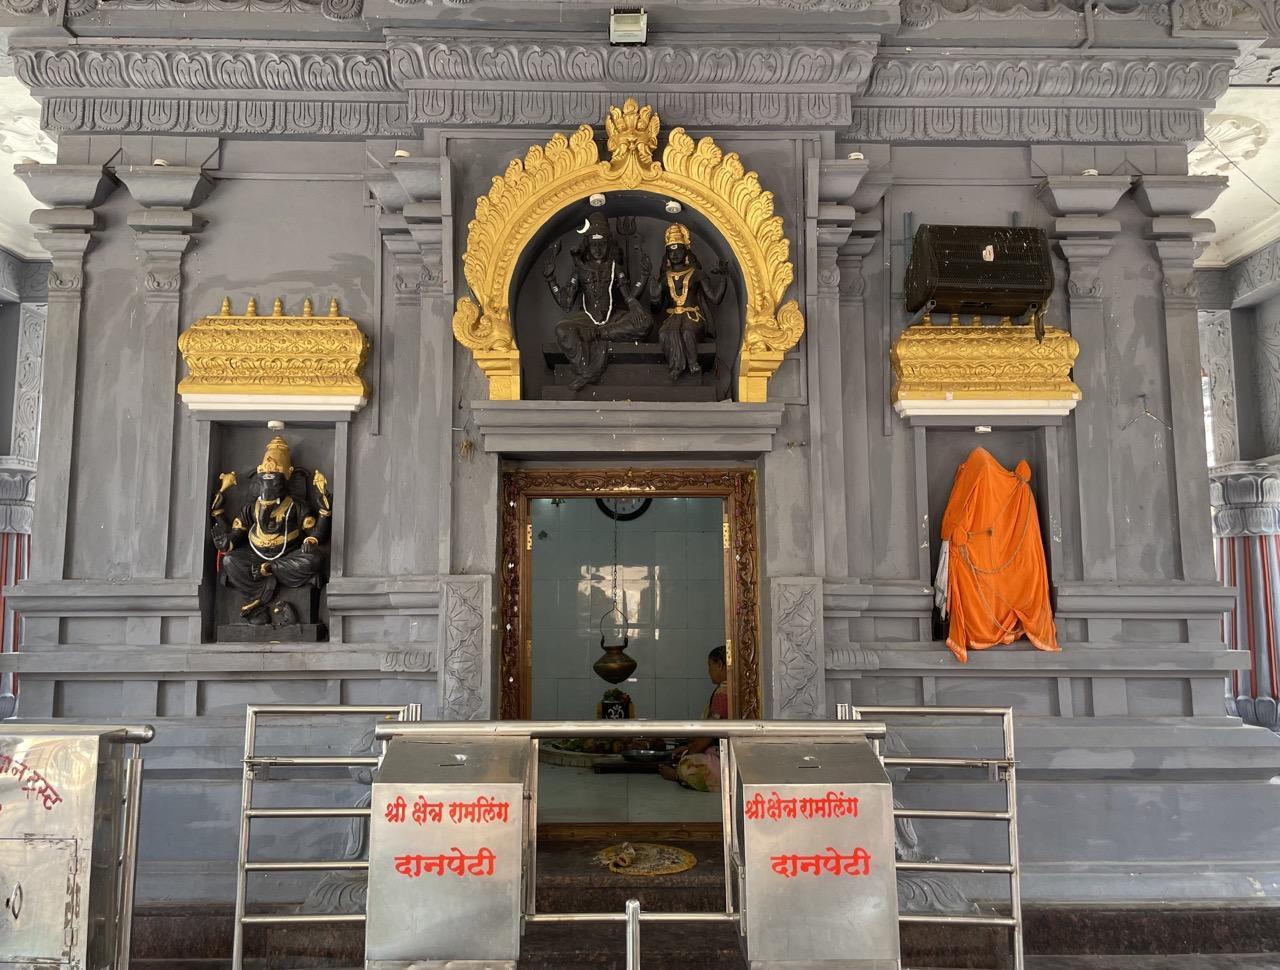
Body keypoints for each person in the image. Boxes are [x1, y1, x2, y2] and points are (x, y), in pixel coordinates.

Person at [544, 212, 652, 390]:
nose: (597, 249)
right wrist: (551, 280)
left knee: (645, 322)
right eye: (594, 244)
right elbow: (566, 303)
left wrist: (644, 277)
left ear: (608, 245)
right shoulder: (580, 270)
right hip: (586, 318)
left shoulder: (614, 268)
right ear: (587, 245)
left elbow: (629, 297)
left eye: (601, 244)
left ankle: (599, 334)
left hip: (612, 319)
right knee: (562, 329)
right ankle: (586, 370)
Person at [649, 223, 728, 382]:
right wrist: (654, 296)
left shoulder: (697, 274)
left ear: (686, 250)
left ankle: (692, 363)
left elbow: (715, 298)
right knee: (664, 334)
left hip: (693, 316)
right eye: (671, 250)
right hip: (673, 319)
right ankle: (676, 366)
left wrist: (724, 278)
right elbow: (656, 309)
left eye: (678, 249)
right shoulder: (665, 277)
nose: (675, 254)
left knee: (687, 332)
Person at [659, 645, 729, 791]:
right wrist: (688, 747)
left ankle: (677, 776)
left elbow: (709, 734)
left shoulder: (723, 693)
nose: (709, 671)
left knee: (687, 765)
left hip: (726, 757)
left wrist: (689, 753)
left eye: (710, 666)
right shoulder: (730, 688)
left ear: (721, 665)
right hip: (723, 752)